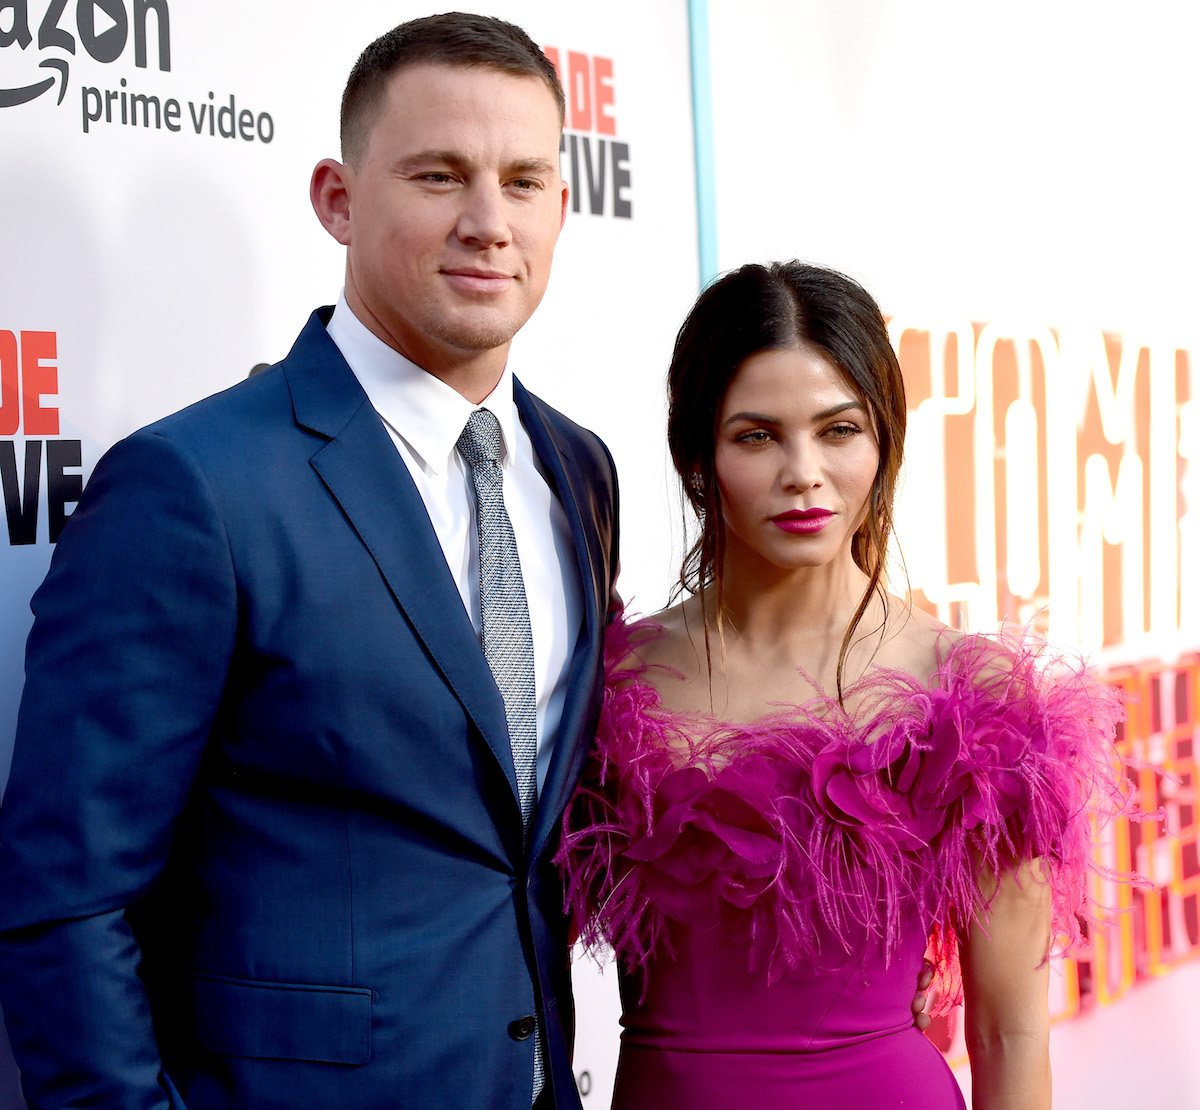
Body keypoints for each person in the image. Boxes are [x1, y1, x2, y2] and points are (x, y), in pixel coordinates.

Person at [0, 14, 619, 1110]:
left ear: (562, 209)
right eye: (439, 175)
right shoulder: (196, 485)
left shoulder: (577, 471)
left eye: (525, 182)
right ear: (337, 197)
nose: (488, 222)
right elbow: (67, 898)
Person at [558, 261, 1124, 1109]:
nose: (804, 473)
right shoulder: (613, 680)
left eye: (838, 430)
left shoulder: (972, 693)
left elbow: (1010, 1033)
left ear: (884, 440)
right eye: (757, 435)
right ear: (696, 456)